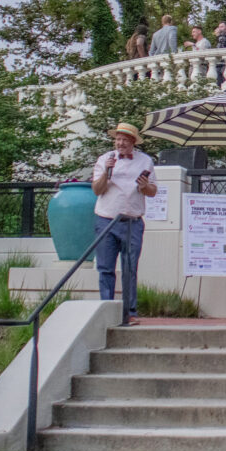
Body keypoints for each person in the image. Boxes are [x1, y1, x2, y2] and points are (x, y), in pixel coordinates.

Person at [91, 122, 158, 325]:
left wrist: (145, 186)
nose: (120, 143)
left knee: (130, 268)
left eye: (125, 140)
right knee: (105, 267)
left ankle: (129, 312)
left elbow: (153, 191)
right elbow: (97, 190)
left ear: (133, 142)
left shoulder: (145, 161)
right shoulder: (104, 159)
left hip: (132, 221)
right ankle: (106, 310)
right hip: (106, 220)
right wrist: (106, 173)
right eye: (118, 139)